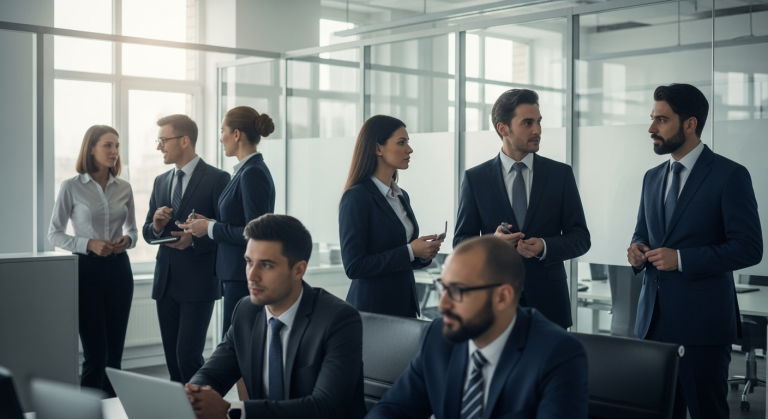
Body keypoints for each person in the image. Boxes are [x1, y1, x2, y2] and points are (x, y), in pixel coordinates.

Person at [627, 83, 763, 419]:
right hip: (653, 323)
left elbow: (748, 248)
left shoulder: (730, 175)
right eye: (652, 118)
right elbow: (643, 231)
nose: (651, 128)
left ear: (690, 124)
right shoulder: (652, 177)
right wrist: (636, 249)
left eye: (662, 120)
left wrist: (682, 259)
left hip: (703, 326)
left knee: (707, 412)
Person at [366, 235, 588, 419]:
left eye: (456, 291)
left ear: (502, 297)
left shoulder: (558, 355)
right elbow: (392, 410)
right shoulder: (438, 337)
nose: (442, 304)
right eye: (442, 288)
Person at [185, 214, 366, 419]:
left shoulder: (339, 320)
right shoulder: (247, 311)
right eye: (249, 262)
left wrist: (232, 411)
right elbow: (211, 374)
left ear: (298, 270)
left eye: (267, 265)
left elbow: (325, 408)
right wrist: (195, 395)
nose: (252, 276)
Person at [453, 89, 590, 329]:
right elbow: (461, 242)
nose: (537, 130)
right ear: (503, 128)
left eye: (538, 122)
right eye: (527, 123)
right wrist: (491, 244)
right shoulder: (475, 179)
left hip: (549, 304)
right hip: (495, 304)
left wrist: (545, 246)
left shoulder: (560, 175)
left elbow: (581, 238)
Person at [48, 125, 138, 397]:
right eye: (108, 145)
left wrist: (128, 240)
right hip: (86, 273)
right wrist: (88, 244)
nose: (114, 152)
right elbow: (54, 234)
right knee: (96, 355)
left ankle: (113, 411)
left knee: (115, 358)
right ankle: (87, 414)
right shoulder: (71, 187)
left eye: (117, 146)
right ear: (91, 148)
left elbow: (133, 230)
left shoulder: (125, 188)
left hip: (120, 272)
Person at [142, 114, 231, 384]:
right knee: (172, 360)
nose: (159, 147)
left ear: (184, 140)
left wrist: (195, 239)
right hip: (166, 282)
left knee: (187, 356)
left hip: (199, 282)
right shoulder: (160, 181)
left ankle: (203, 409)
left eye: (163, 140)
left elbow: (226, 231)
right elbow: (147, 231)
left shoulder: (218, 178)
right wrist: (156, 226)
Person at [180, 106, 276, 336]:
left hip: (243, 275)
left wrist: (211, 228)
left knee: (236, 346)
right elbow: (241, 221)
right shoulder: (244, 171)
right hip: (234, 274)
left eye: (223, 130)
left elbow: (255, 233)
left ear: (236, 134)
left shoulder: (253, 173)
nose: (221, 137)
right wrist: (209, 222)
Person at [339, 115, 443, 318]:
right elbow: (354, 266)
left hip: (405, 307)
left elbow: (400, 257)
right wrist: (411, 251)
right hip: (373, 312)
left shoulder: (401, 196)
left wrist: (422, 254)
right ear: (378, 148)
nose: (409, 149)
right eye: (401, 142)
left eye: (408, 142)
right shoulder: (356, 197)